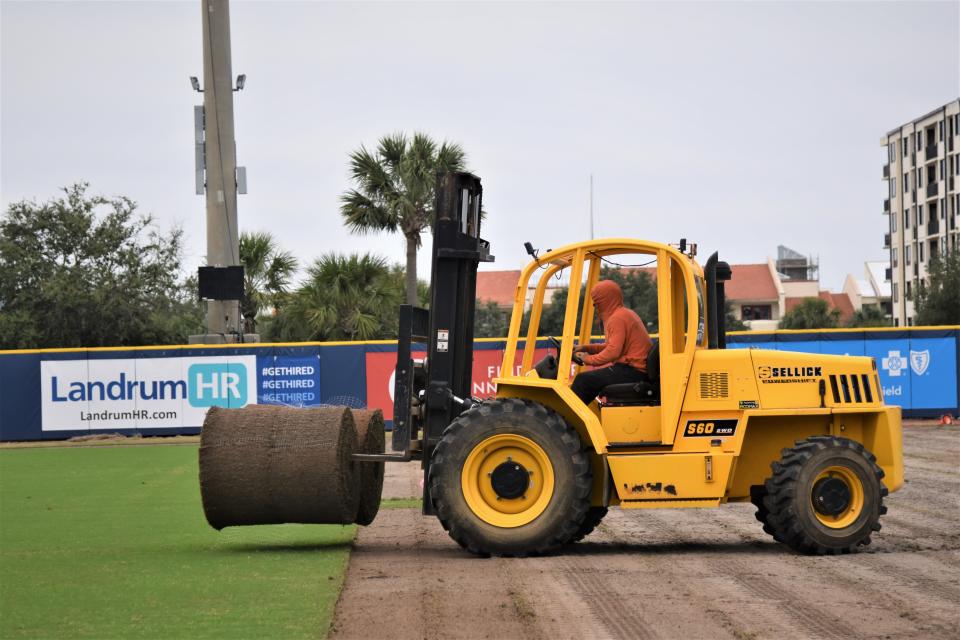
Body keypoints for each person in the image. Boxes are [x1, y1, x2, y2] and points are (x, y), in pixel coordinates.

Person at [571, 279, 653, 405]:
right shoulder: (624, 313)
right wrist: (584, 348)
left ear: (604, 301)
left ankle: (568, 422)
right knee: (589, 380)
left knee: (583, 380)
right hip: (635, 371)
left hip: (633, 371)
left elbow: (613, 352)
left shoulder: (617, 318)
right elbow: (611, 346)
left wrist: (587, 359)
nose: (596, 307)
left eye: (596, 303)